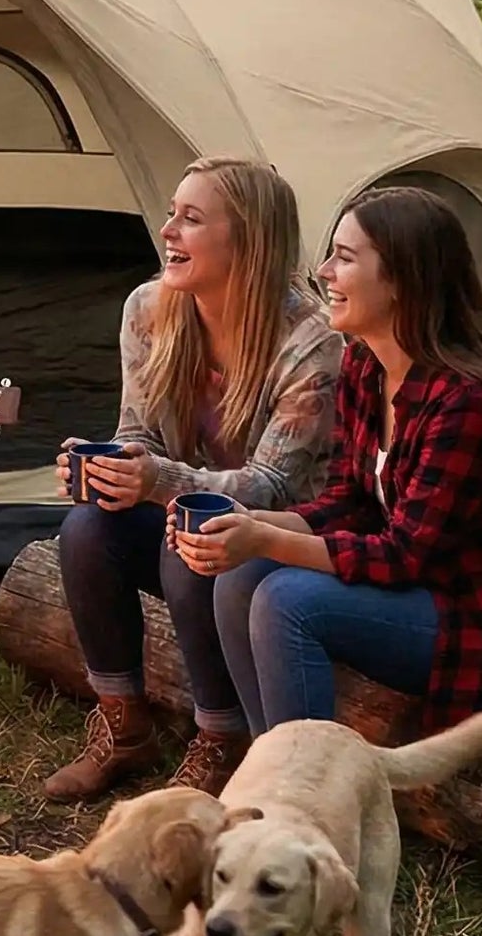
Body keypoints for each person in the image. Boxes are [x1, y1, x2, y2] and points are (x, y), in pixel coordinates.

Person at [179, 184, 482, 729]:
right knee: (241, 575)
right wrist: (250, 522)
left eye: (344, 258)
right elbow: (350, 501)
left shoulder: (467, 400)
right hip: (424, 594)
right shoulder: (367, 369)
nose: (324, 272)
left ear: (400, 280)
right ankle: (270, 769)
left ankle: (306, 800)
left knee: (286, 600)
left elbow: (402, 556)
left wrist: (268, 539)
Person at [46, 157, 340, 801]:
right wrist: (113, 466)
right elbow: (138, 431)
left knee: (191, 541)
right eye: (171, 213)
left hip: (286, 540)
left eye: (192, 219)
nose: (168, 231)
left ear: (248, 241)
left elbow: (273, 486)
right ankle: (124, 724)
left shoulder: (311, 340)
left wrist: (157, 481)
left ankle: (221, 738)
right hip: (198, 515)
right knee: (88, 527)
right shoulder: (151, 308)